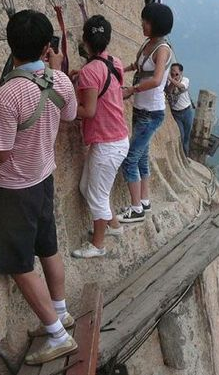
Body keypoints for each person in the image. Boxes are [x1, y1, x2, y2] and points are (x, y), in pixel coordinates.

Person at [0, 10, 78, 365]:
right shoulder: (60, 82)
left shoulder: (8, 94)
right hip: (43, 177)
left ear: (10, 44)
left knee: (19, 264)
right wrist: (57, 69)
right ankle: (60, 312)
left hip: (13, 189)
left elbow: (0, 155)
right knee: (48, 247)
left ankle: (57, 334)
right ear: (47, 46)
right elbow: (70, 116)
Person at [71, 15, 129, 259]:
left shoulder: (88, 72)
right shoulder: (115, 63)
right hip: (116, 138)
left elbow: (89, 111)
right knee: (87, 187)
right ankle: (113, 226)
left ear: (85, 41)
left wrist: (65, 109)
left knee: (97, 195)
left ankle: (97, 245)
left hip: (108, 144)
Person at [118, 3, 174, 223]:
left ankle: (136, 209)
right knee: (141, 157)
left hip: (152, 112)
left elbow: (157, 79)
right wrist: (121, 68)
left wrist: (132, 90)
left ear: (156, 24)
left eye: (146, 21)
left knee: (130, 160)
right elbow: (139, 66)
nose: (143, 23)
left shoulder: (162, 49)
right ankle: (144, 201)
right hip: (142, 109)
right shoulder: (148, 44)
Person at [166, 63, 195, 156]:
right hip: (176, 114)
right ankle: (181, 155)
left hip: (187, 112)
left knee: (187, 136)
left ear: (180, 72)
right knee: (181, 135)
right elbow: (168, 91)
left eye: (175, 71)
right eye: (172, 70)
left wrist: (171, 79)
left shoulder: (185, 80)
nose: (173, 72)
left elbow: (181, 87)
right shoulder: (169, 82)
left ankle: (185, 156)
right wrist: (172, 81)